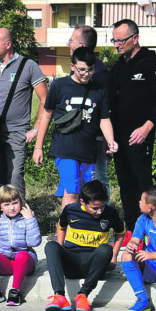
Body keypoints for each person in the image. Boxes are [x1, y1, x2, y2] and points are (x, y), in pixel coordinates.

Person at [32, 47, 119, 208]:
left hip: (88, 150)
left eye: (90, 70)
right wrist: (38, 147)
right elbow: (47, 115)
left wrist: (111, 140)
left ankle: (81, 228)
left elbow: (104, 119)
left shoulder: (99, 89)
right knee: (71, 192)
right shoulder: (59, 85)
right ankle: (66, 231)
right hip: (64, 149)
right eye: (82, 70)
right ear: (72, 66)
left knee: (87, 194)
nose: (86, 74)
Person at [109, 19, 156, 232]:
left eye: (121, 40)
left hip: (140, 136)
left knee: (143, 182)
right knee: (125, 184)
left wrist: (146, 128)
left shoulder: (152, 63)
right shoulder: (117, 68)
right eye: (114, 40)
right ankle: (132, 229)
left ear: (135, 39)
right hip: (118, 138)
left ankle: (153, 226)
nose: (117, 45)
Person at [43, 180, 125, 311]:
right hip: (71, 263)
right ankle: (59, 296)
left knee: (106, 249)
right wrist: (60, 248)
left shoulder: (111, 213)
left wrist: (114, 257)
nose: (99, 211)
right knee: (51, 246)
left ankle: (83, 295)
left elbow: (120, 233)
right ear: (82, 202)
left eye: (102, 207)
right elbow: (61, 226)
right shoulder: (70, 210)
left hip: (94, 265)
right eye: (95, 208)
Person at [0, 27, 48, 200]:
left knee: (14, 177)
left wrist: (35, 129)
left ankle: (20, 218)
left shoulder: (29, 66)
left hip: (17, 132)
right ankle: (3, 215)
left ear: (8, 44)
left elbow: (45, 99)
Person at [68, 25, 111, 196]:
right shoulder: (87, 70)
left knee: (98, 177)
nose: (69, 43)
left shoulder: (99, 74)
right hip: (82, 135)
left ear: (82, 46)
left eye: (72, 40)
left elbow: (106, 108)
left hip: (96, 136)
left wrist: (106, 138)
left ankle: (103, 215)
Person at [0, 185, 42, 306]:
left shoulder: (27, 219)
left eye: (15, 203)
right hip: (6, 263)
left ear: (21, 202)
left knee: (22, 255)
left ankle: (15, 292)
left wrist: (30, 220)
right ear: (0, 206)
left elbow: (34, 242)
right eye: (6, 204)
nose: (12, 208)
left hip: (24, 263)